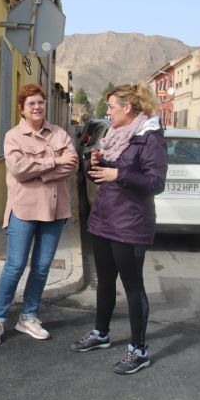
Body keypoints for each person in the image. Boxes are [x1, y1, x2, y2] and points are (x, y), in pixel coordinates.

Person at [70, 82, 167, 375]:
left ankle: (139, 351)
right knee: (106, 281)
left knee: (133, 287)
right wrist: (95, 163)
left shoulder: (150, 138)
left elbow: (155, 183)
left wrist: (119, 173)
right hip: (104, 219)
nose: (107, 111)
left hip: (131, 224)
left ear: (128, 108)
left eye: (111, 106)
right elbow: (101, 178)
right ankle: (101, 333)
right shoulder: (114, 135)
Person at [0, 84, 79, 346]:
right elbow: (18, 169)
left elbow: (72, 164)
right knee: (14, 267)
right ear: (21, 108)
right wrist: (54, 162)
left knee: (41, 267)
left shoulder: (59, 133)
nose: (37, 107)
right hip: (24, 210)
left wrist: (43, 169)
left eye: (40, 102)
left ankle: (28, 316)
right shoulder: (13, 136)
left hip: (55, 210)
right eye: (31, 104)